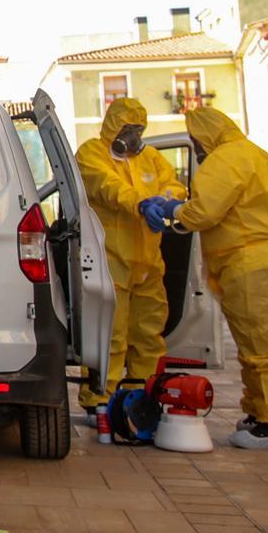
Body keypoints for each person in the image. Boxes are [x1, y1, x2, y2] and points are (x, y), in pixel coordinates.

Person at [159, 107, 268, 450]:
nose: (197, 146)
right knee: (267, 344)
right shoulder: (261, 157)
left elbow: (205, 211)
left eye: (196, 139)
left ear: (204, 136)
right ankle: (262, 413)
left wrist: (174, 211)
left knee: (266, 348)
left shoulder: (223, 160)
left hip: (254, 264)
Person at [75, 98, 186, 420]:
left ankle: (142, 394)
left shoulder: (150, 158)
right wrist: (141, 203)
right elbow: (107, 186)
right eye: (127, 128)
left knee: (149, 333)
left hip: (149, 261)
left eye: (138, 129)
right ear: (113, 126)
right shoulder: (92, 153)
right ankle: (99, 397)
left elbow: (174, 184)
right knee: (111, 332)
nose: (133, 135)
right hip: (112, 260)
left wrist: (166, 202)